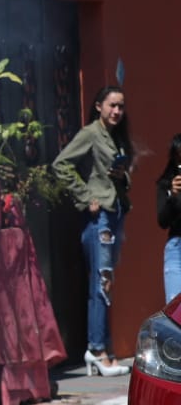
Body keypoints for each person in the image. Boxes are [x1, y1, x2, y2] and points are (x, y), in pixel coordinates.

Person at [53, 86, 133, 377]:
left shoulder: (116, 137)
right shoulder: (90, 133)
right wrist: (86, 198)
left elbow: (115, 176)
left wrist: (122, 176)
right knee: (102, 283)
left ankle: (104, 350)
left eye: (121, 107)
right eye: (112, 105)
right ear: (99, 106)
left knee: (105, 285)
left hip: (116, 214)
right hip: (98, 220)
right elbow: (61, 165)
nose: (117, 112)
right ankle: (97, 349)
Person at [157, 134, 181, 304]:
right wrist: (172, 196)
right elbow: (162, 221)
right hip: (176, 249)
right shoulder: (165, 183)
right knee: (176, 311)